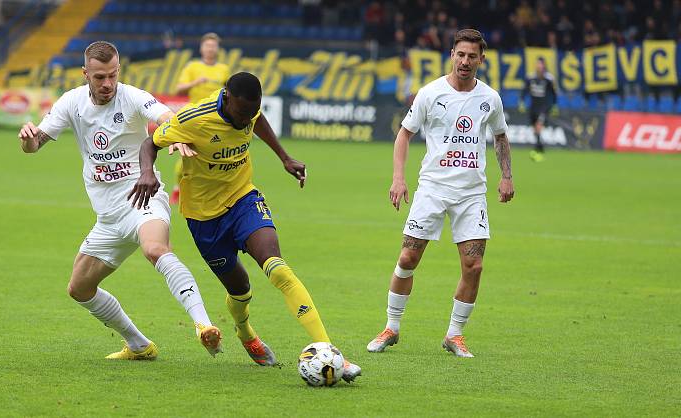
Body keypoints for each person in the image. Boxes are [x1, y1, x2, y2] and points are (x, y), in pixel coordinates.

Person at [129, 72, 362, 382]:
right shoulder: (194, 118)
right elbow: (149, 143)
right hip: (203, 217)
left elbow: (259, 120)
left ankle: (332, 353)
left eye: (251, 113)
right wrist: (147, 173)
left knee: (277, 267)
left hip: (242, 199)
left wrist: (284, 156)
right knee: (239, 289)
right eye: (241, 114)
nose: (245, 121)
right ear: (227, 98)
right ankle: (245, 332)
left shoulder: (249, 111)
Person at [17, 41, 222, 361]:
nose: (107, 84)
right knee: (79, 289)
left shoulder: (133, 96)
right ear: (85, 74)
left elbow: (166, 115)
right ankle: (139, 345)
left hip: (144, 198)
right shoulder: (71, 102)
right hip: (108, 218)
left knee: (155, 249)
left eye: (112, 75)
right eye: (99, 77)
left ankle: (203, 325)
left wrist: (176, 136)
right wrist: (29, 140)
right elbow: (34, 145)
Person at [365, 29, 515, 358]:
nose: (465, 61)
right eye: (460, 55)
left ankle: (454, 335)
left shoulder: (490, 98)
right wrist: (398, 178)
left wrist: (506, 176)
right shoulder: (431, 93)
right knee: (408, 257)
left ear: (481, 59)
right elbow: (404, 135)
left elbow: (500, 136)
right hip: (432, 188)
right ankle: (391, 326)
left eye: (471, 56)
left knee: (473, 266)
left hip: (471, 191)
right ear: (452, 55)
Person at [168, 32, 230, 204]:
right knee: (187, 155)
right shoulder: (192, 67)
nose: (210, 49)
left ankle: (213, 193)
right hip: (195, 118)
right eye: (207, 46)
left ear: (217, 49)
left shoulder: (223, 69)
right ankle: (177, 189)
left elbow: (229, 92)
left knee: (218, 156)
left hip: (217, 119)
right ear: (202, 48)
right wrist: (195, 83)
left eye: (213, 46)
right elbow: (179, 89)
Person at [521, 57, 557, 162]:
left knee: (538, 126)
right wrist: (522, 101)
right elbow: (524, 90)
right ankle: (540, 146)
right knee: (535, 130)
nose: (539, 66)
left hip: (544, 107)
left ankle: (538, 148)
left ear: (544, 66)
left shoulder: (549, 79)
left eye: (541, 64)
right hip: (533, 107)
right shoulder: (530, 78)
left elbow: (553, 93)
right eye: (538, 64)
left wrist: (554, 105)